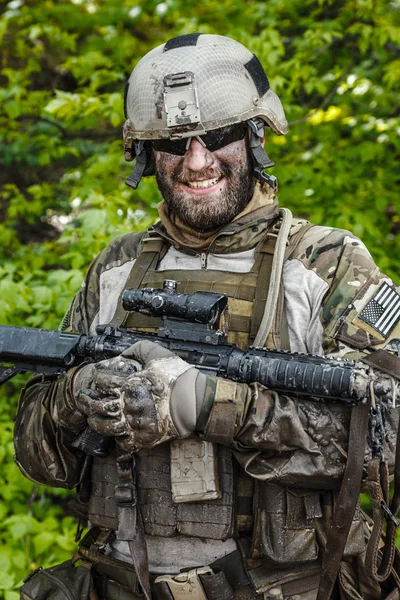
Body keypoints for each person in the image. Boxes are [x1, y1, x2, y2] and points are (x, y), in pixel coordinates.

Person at [14, 34, 400, 600]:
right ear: (147, 155)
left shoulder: (324, 265)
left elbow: (386, 440)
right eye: (173, 143)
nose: (197, 161)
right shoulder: (117, 269)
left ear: (255, 136)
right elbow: (39, 460)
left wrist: (210, 405)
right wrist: (76, 398)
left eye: (219, 136)